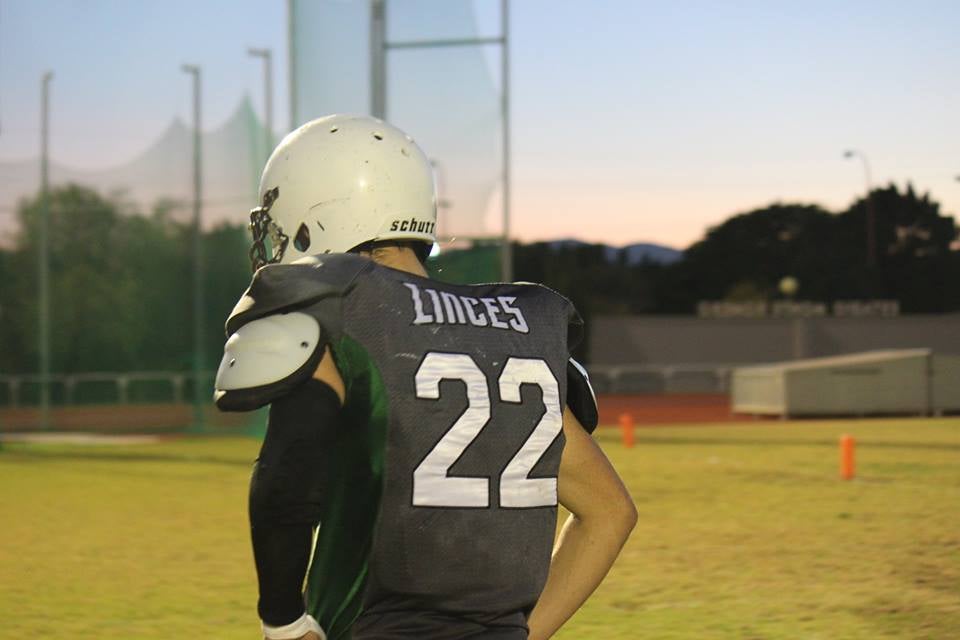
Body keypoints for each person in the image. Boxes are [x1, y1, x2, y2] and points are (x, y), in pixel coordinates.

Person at [214, 114, 636, 640]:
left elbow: (287, 479)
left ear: (317, 212)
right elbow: (610, 512)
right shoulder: (517, 333)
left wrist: (281, 620)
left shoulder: (343, 312)